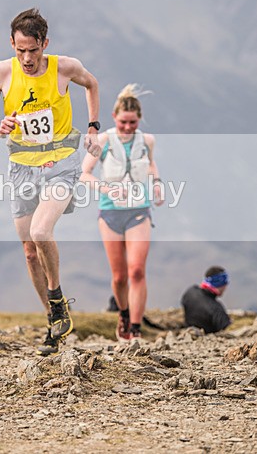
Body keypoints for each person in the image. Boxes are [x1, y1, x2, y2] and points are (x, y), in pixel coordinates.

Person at [0, 8, 101, 356]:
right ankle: (54, 320)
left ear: (45, 44)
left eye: (33, 50)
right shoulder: (2, 73)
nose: (27, 58)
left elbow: (92, 84)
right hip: (21, 167)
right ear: (12, 45)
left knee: (41, 232)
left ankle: (57, 297)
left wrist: (93, 125)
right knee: (30, 252)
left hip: (61, 162)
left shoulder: (65, 67)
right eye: (20, 50)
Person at [80, 84, 164, 342]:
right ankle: (124, 313)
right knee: (119, 276)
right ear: (115, 118)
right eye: (124, 122)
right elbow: (85, 174)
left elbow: (150, 164)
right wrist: (106, 189)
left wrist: (157, 184)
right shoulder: (104, 140)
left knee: (137, 270)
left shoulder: (147, 140)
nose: (128, 127)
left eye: (133, 123)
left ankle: (136, 329)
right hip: (110, 214)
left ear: (139, 120)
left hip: (139, 211)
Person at [181, 266, 231, 334]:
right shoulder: (216, 308)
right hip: (208, 339)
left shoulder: (190, 292)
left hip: (189, 332)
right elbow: (228, 329)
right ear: (220, 283)